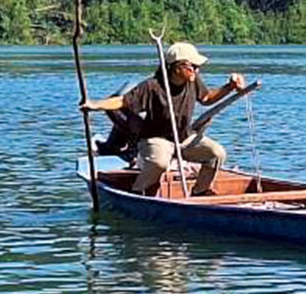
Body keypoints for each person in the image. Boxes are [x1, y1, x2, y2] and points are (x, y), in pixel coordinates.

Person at [81, 42, 247, 195]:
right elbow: (123, 101)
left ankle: (200, 192)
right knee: (159, 163)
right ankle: (138, 191)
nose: (197, 71)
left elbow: (206, 98)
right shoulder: (152, 86)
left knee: (216, 153)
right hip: (156, 139)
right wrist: (94, 105)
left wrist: (229, 87)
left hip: (184, 138)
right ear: (177, 67)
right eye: (193, 66)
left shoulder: (192, 81)